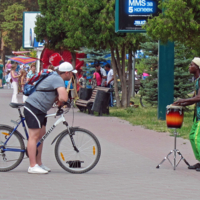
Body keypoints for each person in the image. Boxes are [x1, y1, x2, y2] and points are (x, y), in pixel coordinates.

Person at [23, 62, 76, 174]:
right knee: (34, 136)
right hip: (33, 107)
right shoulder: (57, 79)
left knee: (40, 136)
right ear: (67, 72)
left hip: (40, 110)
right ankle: (32, 166)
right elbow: (63, 96)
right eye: (72, 73)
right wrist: (62, 100)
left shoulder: (55, 77)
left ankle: (39, 163)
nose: (72, 75)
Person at [173, 57, 200, 172]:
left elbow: (199, 97)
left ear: (197, 67)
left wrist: (182, 100)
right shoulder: (197, 80)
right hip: (197, 115)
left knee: (196, 138)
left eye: (191, 64)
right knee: (191, 136)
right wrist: (182, 103)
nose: (189, 67)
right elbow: (195, 98)